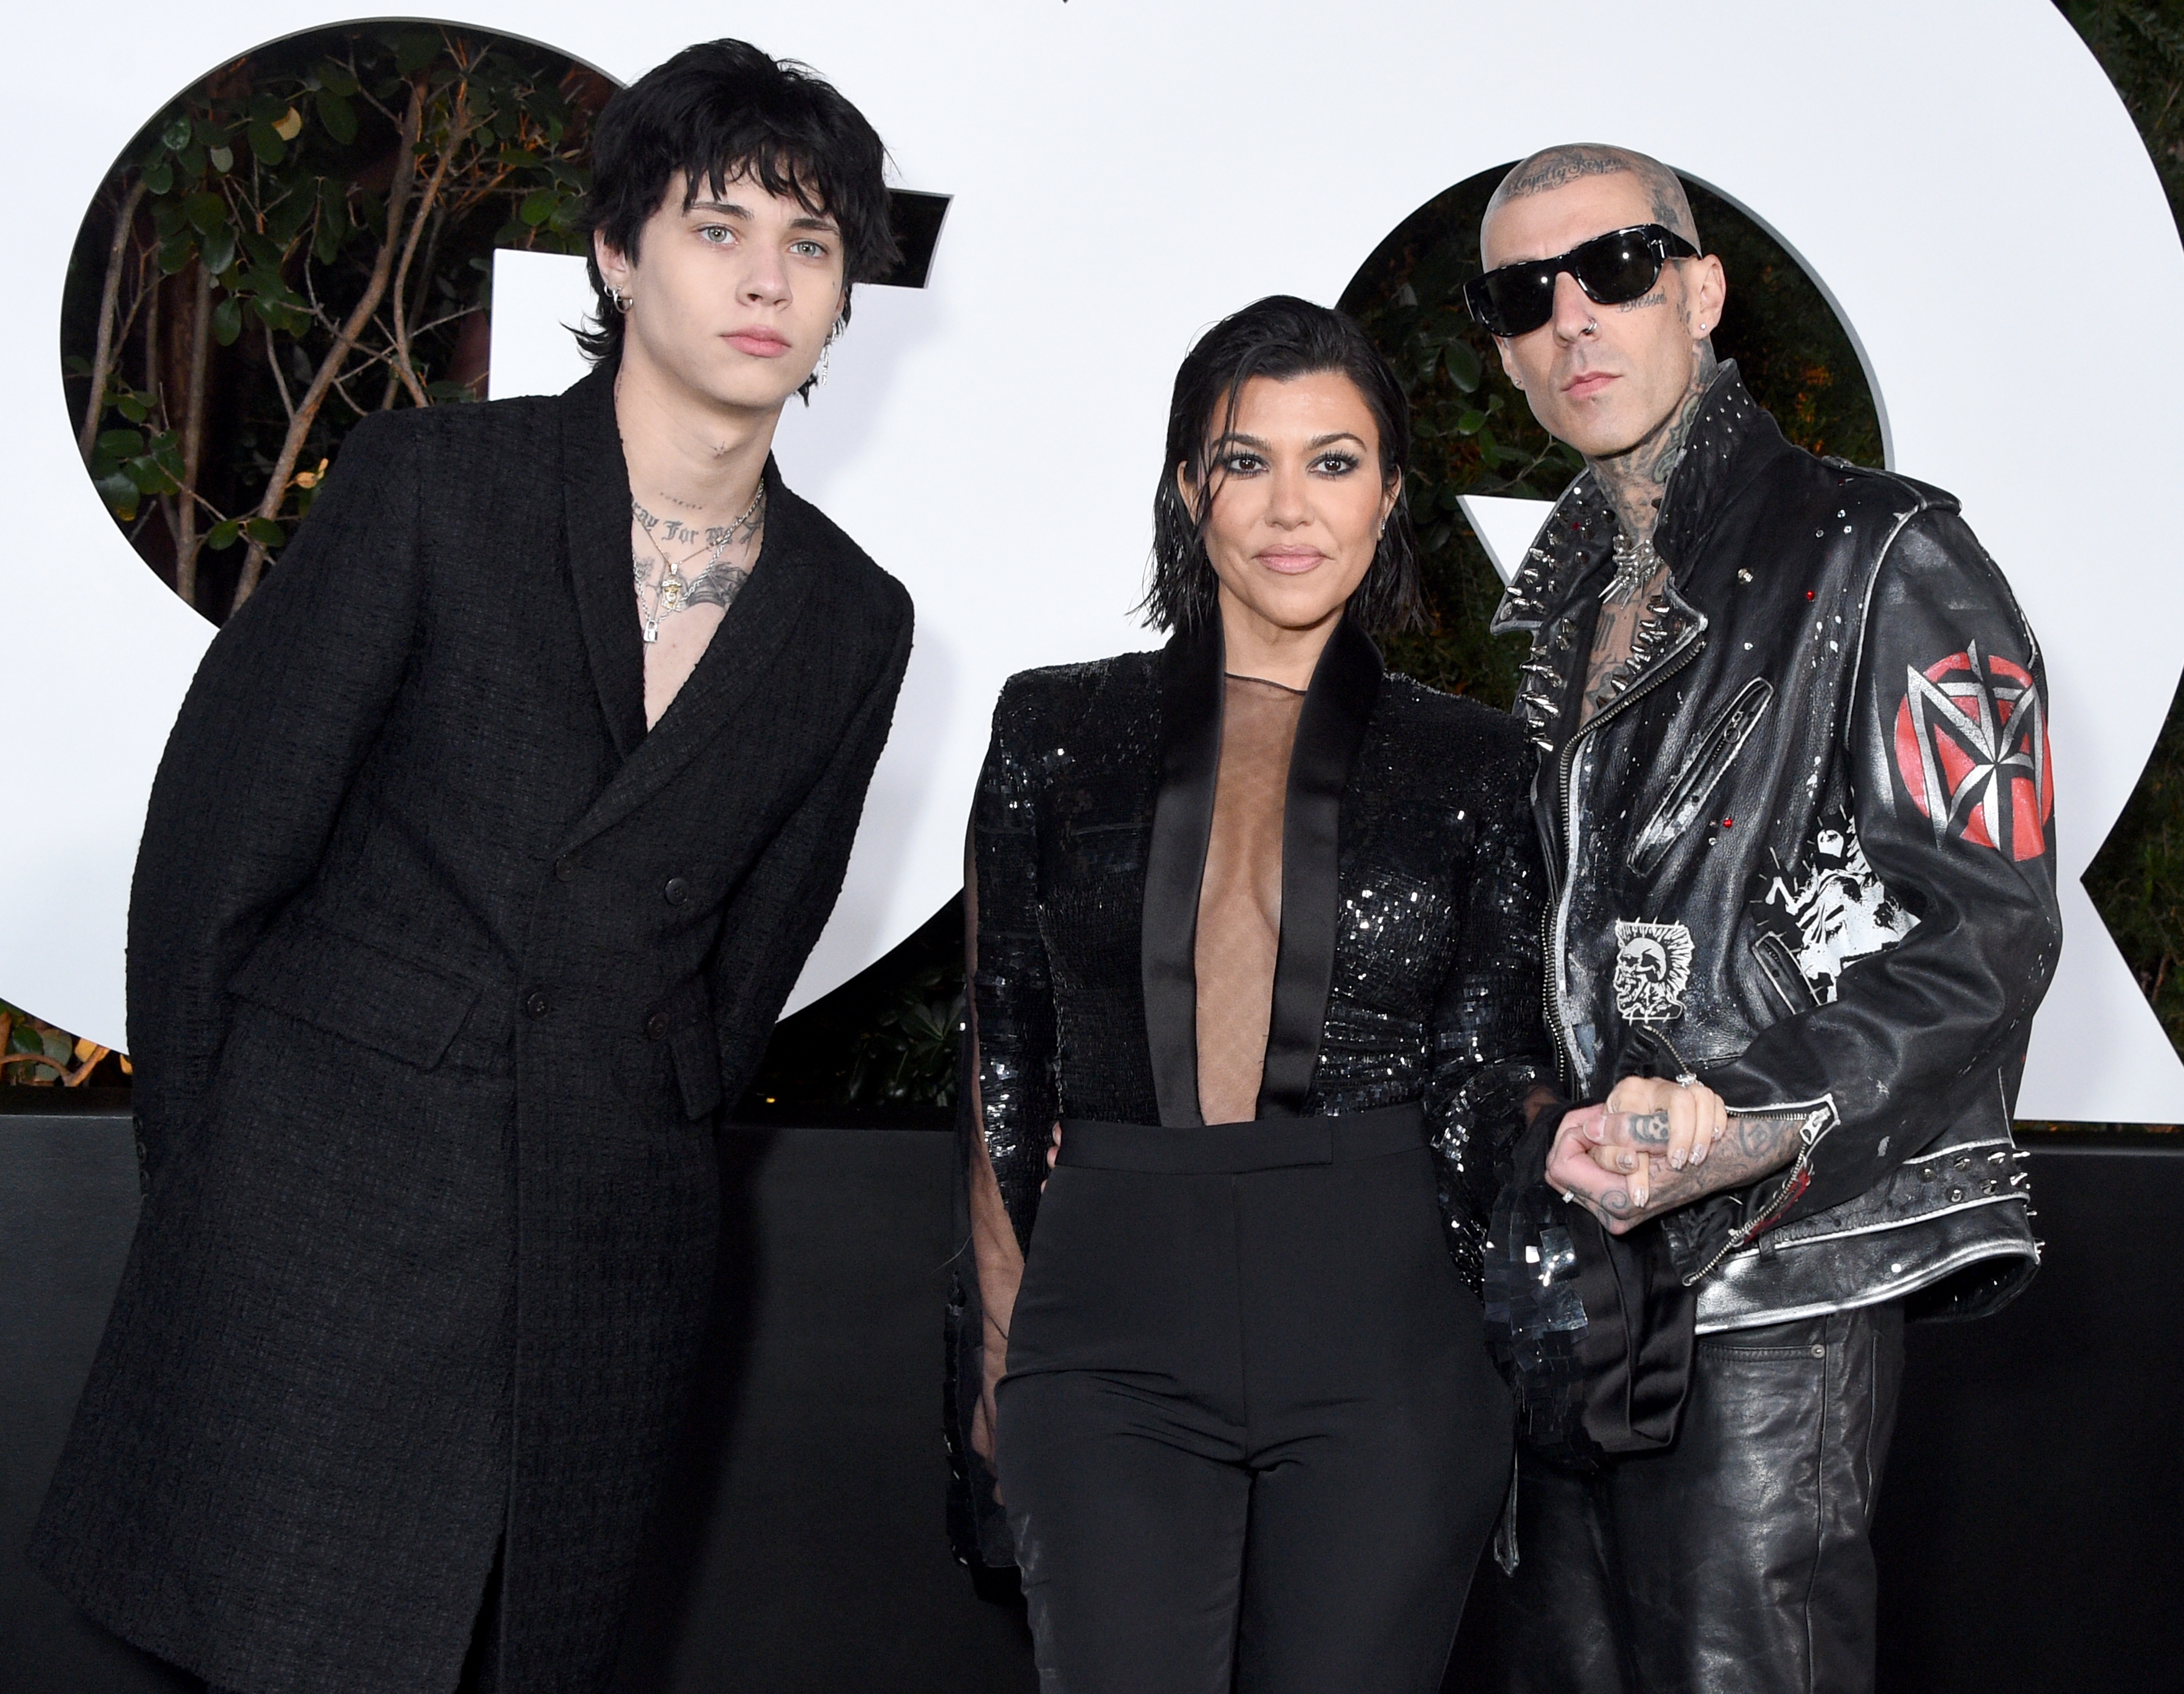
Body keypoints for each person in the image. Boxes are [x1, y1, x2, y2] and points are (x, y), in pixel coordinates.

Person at [32, 41, 911, 1694]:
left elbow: (744, 974)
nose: (767, 281)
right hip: (325, 1217)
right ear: (616, 251)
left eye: (810, 243)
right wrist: (225, 1182)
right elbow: (218, 852)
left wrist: (633, 1139)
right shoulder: (441, 488)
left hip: (603, 1266)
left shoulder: (853, 617)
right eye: (720, 228)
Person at [1469, 143, 2058, 1693]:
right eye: (1524, 297)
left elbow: (1987, 930)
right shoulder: (1563, 609)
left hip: (1781, 1273)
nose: (1573, 321)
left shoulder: (1885, 555)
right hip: (1581, 1270)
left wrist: (1741, 1114)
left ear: (1703, 291)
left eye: (1616, 271)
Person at [945, 295, 1554, 1693]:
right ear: (1187, 484)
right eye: (1247, 460)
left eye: (1335, 462)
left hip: (1386, 1316)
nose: (1293, 508)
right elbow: (1003, 1036)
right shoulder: (1054, 725)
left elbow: (1484, 1073)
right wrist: (1003, 1327)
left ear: (1391, 494)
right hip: (1107, 1312)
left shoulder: (1477, 765)